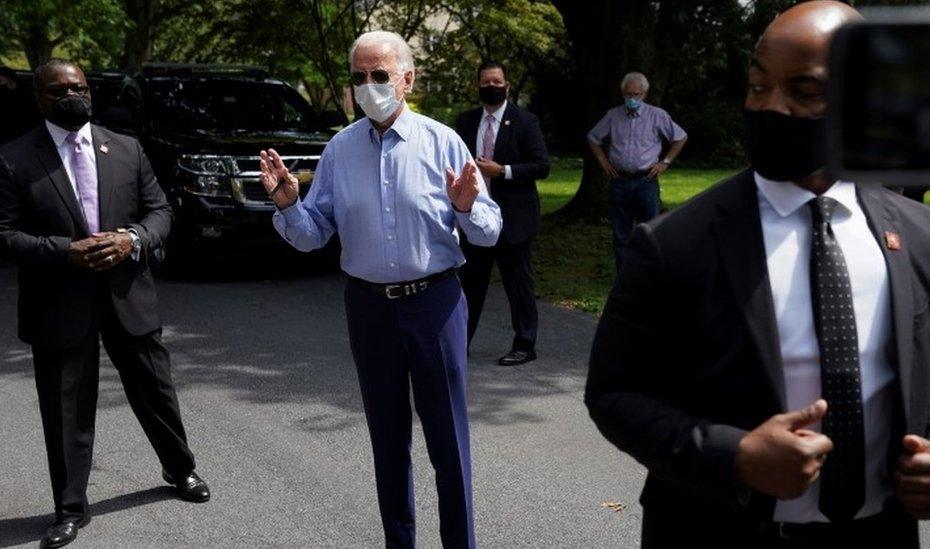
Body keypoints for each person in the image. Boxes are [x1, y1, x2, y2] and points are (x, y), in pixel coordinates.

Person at [585, 2, 930, 547]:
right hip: (715, 529)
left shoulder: (920, 234)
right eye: (758, 85)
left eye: (805, 91)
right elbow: (614, 392)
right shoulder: (675, 243)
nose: (772, 107)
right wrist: (735, 456)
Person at [262, 31, 501, 549]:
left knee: (447, 441)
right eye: (358, 77)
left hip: (436, 302)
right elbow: (313, 235)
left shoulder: (442, 142)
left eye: (379, 75)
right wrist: (287, 205)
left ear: (407, 80)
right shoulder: (340, 150)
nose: (367, 86)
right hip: (369, 308)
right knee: (387, 441)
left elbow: (488, 230)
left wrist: (465, 207)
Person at [0, 59, 209, 549]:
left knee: (156, 392)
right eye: (59, 90)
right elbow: (4, 234)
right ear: (39, 97)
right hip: (58, 301)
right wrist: (64, 251)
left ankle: (180, 470)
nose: (72, 95)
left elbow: (161, 211)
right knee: (66, 408)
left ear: (89, 92)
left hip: (128, 295)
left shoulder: (127, 149)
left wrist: (133, 238)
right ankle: (69, 509)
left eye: (79, 87)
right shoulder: (12, 157)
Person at [455, 61, 550, 366]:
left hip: (515, 219)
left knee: (518, 286)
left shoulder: (525, 121)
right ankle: (458, 343)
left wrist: (503, 171)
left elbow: (541, 166)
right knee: (469, 286)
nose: (491, 86)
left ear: (507, 86)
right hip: (475, 218)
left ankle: (525, 344)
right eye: (486, 82)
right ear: (478, 86)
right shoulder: (466, 122)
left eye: (497, 81)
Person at [587, 71, 687, 270]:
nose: (632, 99)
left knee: (650, 232)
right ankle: (624, 276)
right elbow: (593, 137)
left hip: (646, 181)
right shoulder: (613, 115)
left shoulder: (657, 115)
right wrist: (602, 161)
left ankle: (648, 274)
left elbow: (680, 137)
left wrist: (665, 162)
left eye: (636, 94)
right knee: (620, 233)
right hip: (620, 180)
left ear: (644, 94)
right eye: (628, 94)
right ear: (622, 93)